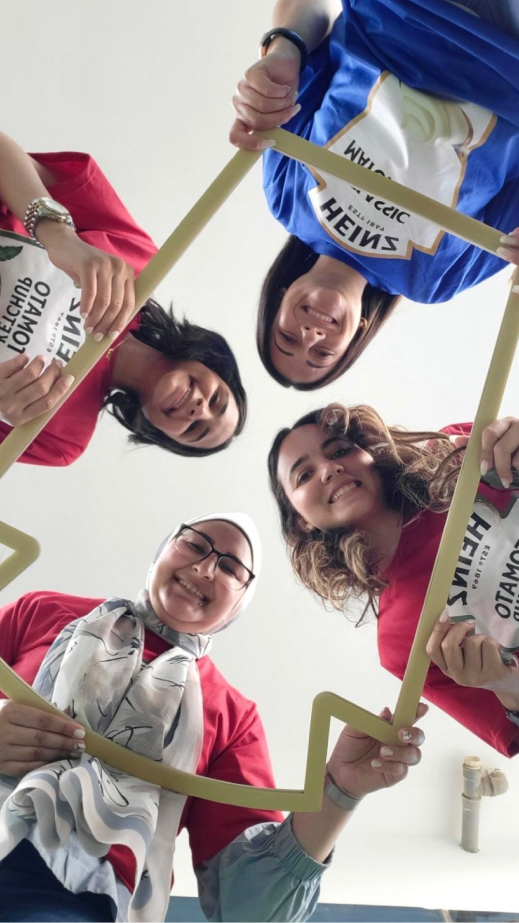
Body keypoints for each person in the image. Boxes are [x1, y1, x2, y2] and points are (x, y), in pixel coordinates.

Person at [0, 512, 426, 923]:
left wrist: (340, 791)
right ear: (162, 551)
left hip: (70, 896)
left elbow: (249, 910)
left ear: (239, 604)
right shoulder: (42, 610)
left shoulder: (234, 719)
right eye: (193, 544)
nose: (205, 567)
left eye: (231, 568)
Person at [230, 0, 519, 389]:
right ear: (358, 335)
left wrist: (281, 51)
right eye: (322, 354)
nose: (311, 336)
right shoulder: (433, 281)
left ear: (279, 299)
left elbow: (312, 10)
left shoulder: (284, 197)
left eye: (287, 338)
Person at [268, 404, 519, 758]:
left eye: (339, 450)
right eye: (304, 475)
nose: (329, 469)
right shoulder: (401, 645)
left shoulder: (452, 453)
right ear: (300, 521)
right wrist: (506, 683)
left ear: (369, 453)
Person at [0, 132, 246, 464]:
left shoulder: (62, 442)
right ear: (209, 363)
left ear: (157, 432)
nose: (199, 409)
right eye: (217, 399)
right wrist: (60, 237)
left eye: (194, 430)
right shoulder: (143, 263)